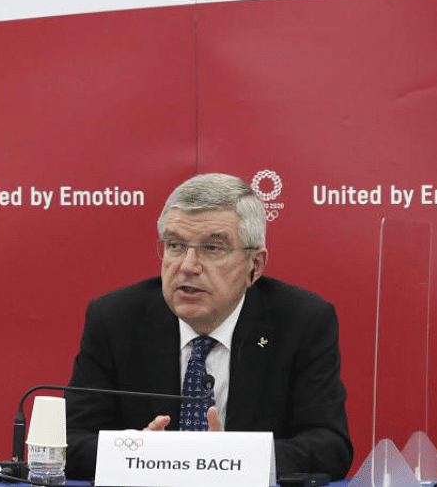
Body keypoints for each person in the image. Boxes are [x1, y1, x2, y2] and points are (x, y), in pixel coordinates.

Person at [64, 173, 352, 480]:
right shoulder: (114, 318)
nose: (187, 266)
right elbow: (68, 442)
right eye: (175, 245)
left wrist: (232, 459)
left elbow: (330, 447)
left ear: (255, 265)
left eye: (213, 248)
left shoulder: (303, 321)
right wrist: (141, 455)